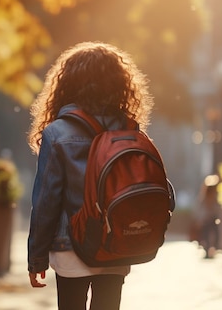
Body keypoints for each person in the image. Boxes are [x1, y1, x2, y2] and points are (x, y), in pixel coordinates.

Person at [27, 41, 154, 310]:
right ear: (119, 84)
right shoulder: (130, 131)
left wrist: (36, 258)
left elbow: (46, 203)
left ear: (67, 84)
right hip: (115, 242)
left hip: (70, 244)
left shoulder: (57, 133)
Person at [194, 174, 221, 258]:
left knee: (213, 234)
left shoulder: (214, 198)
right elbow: (200, 209)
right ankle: (208, 249)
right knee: (207, 235)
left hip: (211, 218)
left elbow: (217, 208)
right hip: (207, 219)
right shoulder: (204, 198)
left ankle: (211, 249)